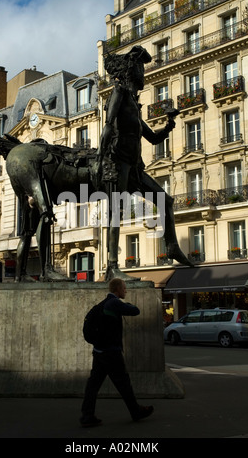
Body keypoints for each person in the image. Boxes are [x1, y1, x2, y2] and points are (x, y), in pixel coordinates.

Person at [94, 45, 192, 281]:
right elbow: (108, 126)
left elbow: (153, 137)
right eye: (140, 68)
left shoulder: (134, 106)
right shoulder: (118, 93)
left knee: (165, 199)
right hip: (119, 163)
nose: (143, 73)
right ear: (131, 71)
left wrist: (168, 125)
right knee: (116, 213)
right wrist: (100, 158)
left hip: (135, 166)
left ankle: (172, 247)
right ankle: (112, 266)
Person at [80, 278, 154, 427]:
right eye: (124, 288)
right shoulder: (114, 303)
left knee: (93, 385)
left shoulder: (102, 304)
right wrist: (125, 304)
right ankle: (136, 412)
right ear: (117, 289)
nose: (126, 291)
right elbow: (135, 311)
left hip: (99, 351)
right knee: (124, 383)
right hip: (111, 353)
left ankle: (87, 415)